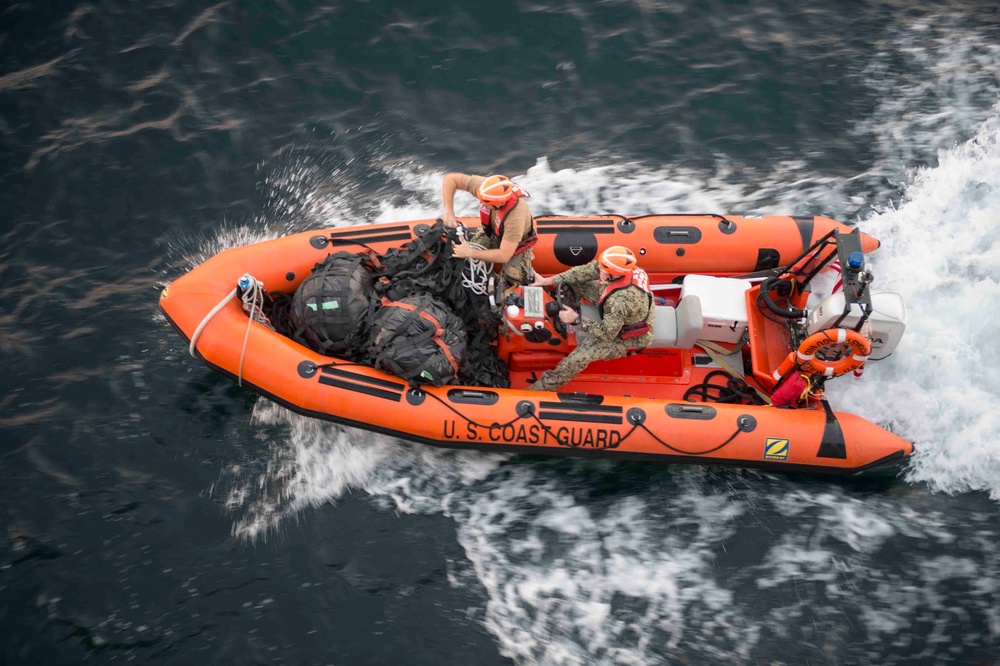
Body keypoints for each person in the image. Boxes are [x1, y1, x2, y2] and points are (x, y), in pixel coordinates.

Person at [528, 246, 655, 392]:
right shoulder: (614, 266)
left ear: (614, 274)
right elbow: (582, 272)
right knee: (575, 282)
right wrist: (547, 281)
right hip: (617, 305)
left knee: (577, 359)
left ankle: (541, 388)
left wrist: (576, 319)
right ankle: (568, 315)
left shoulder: (620, 301)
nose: (598, 269)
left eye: (603, 270)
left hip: (626, 335)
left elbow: (607, 334)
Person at [441, 172, 537, 286]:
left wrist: (470, 252)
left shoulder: (515, 217)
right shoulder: (485, 188)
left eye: (486, 203)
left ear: (501, 203)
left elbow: (504, 255)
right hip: (491, 230)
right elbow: (451, 179)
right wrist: (449, 212)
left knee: (510, 278)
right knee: (467, 266)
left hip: (517, 243)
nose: (482, 203)